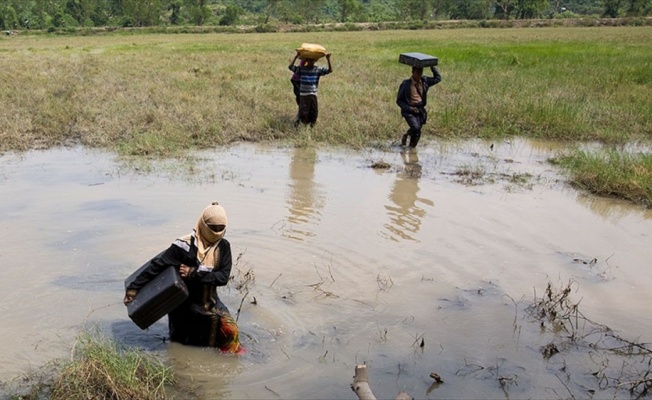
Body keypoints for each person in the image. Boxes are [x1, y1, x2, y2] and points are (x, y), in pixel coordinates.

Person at [123, 201, 243, 354]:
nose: (216, 233)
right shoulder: (183, 246)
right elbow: (157, 266)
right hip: (183, 308)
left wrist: (194, 273)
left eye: (221, 229)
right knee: (180, 349)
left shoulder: (223, 247)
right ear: (203, 225)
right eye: (213, 229)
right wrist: (133, 288)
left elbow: (223, 277)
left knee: (231, 332)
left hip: (211, 305)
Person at [396, 65, 441, 148]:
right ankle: (410, 148)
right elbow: (399, 101)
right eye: (418, 72)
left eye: (421, 72)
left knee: (417, 131)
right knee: (416, 128)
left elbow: (437, 78)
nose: (419, 75)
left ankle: (410, 144)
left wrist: (433, 67)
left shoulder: (425, 81)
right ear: (413, 72)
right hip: (409, 110)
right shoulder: (405, 84)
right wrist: (409, 108)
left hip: (420, 110)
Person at [288, 51, 333, 127]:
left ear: (315, 61)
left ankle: (311, 126)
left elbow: (329, 71)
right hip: (303, 94)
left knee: (314, 111)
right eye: (309, 60)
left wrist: (328, 59)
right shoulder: (301, 69)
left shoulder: (317, 69)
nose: (311, 62)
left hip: (313, 94)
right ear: (306, 61)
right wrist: (295, 57)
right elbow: (290, 67)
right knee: (303, 111)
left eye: (312, 60)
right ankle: (301, 126)